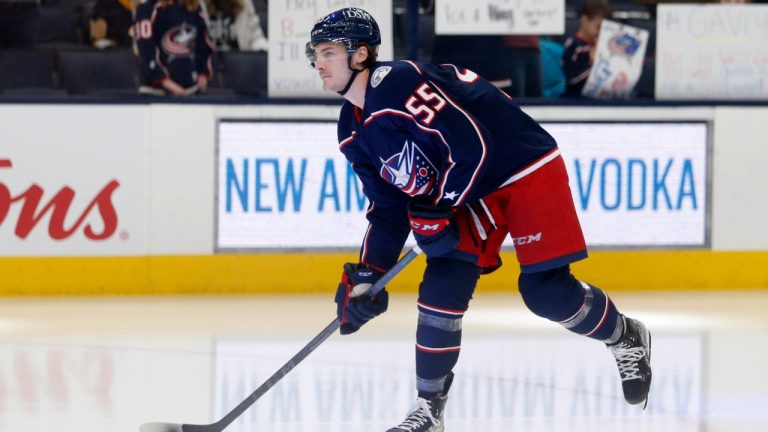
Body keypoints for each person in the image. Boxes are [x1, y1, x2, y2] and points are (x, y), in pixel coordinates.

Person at [307, 7, 652, 432]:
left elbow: (472, 142)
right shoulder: (351, 129)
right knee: (442, 283)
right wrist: (367, 275)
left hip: (522, 166)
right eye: (315, 54)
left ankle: (625, 336)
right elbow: (388, 208)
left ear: (360, 54)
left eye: (327, 52)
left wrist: (437, 209)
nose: (317, 63)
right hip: (469, 184)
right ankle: (429, 410)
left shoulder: (397, 83)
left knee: (544, 291)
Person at [133, 0, 214, 96]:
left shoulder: (194, 7)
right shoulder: (147, 9)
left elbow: (204, 45)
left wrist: (203, 74)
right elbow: (145, 51)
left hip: (191, 90)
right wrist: (165, 81)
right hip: (156, 93)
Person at [561, 0, 612, 98]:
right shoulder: (573, 46)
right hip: (575, 102)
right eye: (598, 27)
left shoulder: (605, 47)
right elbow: (572, 79)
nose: (601, 32)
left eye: (605, 29)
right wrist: (592, 63)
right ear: (584, 20)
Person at [202, 0, 268, 52]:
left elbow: (256, 38)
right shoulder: (197, 5)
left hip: (238, 64)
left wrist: (268, 51)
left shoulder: (244, 3)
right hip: (207, 65)